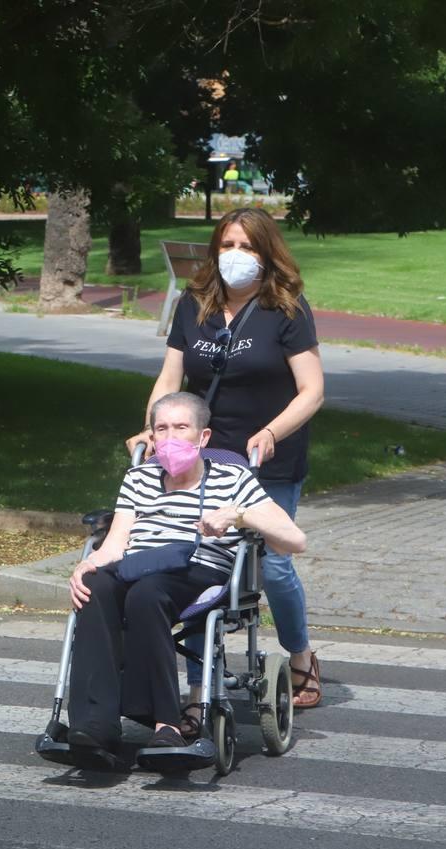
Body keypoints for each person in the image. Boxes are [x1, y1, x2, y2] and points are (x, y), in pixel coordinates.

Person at [127, 207, 325, 722]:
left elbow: (312, 390)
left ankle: (301, 653)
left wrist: (273, 431)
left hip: (266, 454)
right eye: (228, 244)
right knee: (197, 562)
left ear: (267, 254)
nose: (235, 255)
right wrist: (155, 427)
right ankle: (198, 687)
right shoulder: (195, 307)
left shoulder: (286, 309)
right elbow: (171, 378)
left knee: (274, 564)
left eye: (247, 247)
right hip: (200, 455)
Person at [70, 392, 306, 764]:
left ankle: (168, 724)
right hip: (139, 563)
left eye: (181, 428)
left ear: (203, 437)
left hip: (199, 570)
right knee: (95, 587)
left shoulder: (233, 477)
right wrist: (88, 565)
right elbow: (116, 543)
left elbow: (295, 540)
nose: (170, 437)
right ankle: (95, 724)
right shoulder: (139, 477)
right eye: (161, 429)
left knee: (147, 595)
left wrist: (238, 515)